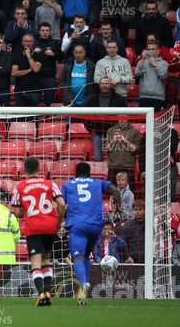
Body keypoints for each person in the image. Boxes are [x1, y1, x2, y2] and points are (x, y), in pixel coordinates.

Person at [61, 162, 122, 306]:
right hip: (95, 226)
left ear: (75, 173)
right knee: (87, 254)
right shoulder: (98, 182)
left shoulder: (68, 185)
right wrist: (118, 209)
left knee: (77, 257)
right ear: (89, 173)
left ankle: (83, 284)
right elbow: (115, 190)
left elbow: (61, 204)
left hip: (78, 225)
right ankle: (84, 290)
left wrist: (62, 218)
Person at [11, 157, 66, 307]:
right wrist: (59, 220)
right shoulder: (50, 184)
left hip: (33, 227)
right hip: (50, 226)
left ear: (24, 170)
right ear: (39, 169)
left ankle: (41, 292)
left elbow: (16, 211)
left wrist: (25, 211)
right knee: (46, 259)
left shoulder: (20, 186)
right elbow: (62, 204)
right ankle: (47, 292)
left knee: (35, 262)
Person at [34, 22, 63, 106]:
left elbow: (61, 56)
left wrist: (53, 54)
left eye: (47, 30)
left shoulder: (55, 42)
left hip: (50, 77)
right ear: (39, 31)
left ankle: (49, 119)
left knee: (49, 103)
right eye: (43, 30)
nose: (45, 32)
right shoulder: (34, 42)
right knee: (35, 102)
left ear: (50, 31)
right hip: (36, 77)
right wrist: (33, 52)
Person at [135, 39, 168, 111]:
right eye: (149, 49)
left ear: (158, 50)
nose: (151, 51)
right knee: (143, 122)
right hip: (144, 97)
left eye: (153, 49)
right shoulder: (142, 62)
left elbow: (163, 76)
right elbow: (137, 73)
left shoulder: (163, 63)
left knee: (158, 121)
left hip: (158, 98)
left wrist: (155, 64)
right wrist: (143, 59)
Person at [11, 34, 43, 107]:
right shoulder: (17, 55)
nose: (28, 43)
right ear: (22, 42)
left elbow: (35, 69)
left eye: (30, 41)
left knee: (33, 117)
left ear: (33, 42)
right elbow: (14, 72)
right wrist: (29, 70)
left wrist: (28, 55)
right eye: (26, 41)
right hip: (20, 91)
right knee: (20, 117)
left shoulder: (38, 55)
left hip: (34, 91)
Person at [105, 119, 141, 183]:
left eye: (124, 118)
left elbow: (136, 150)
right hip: (113, 165)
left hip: (128, 166)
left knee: (129, 191)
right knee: (113, 191)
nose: (122, 120)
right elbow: (106, 149)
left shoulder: (135, 131)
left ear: (128, 118)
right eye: (120, 118)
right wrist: (113, 141)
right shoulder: (110, 130)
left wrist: (125, 141)